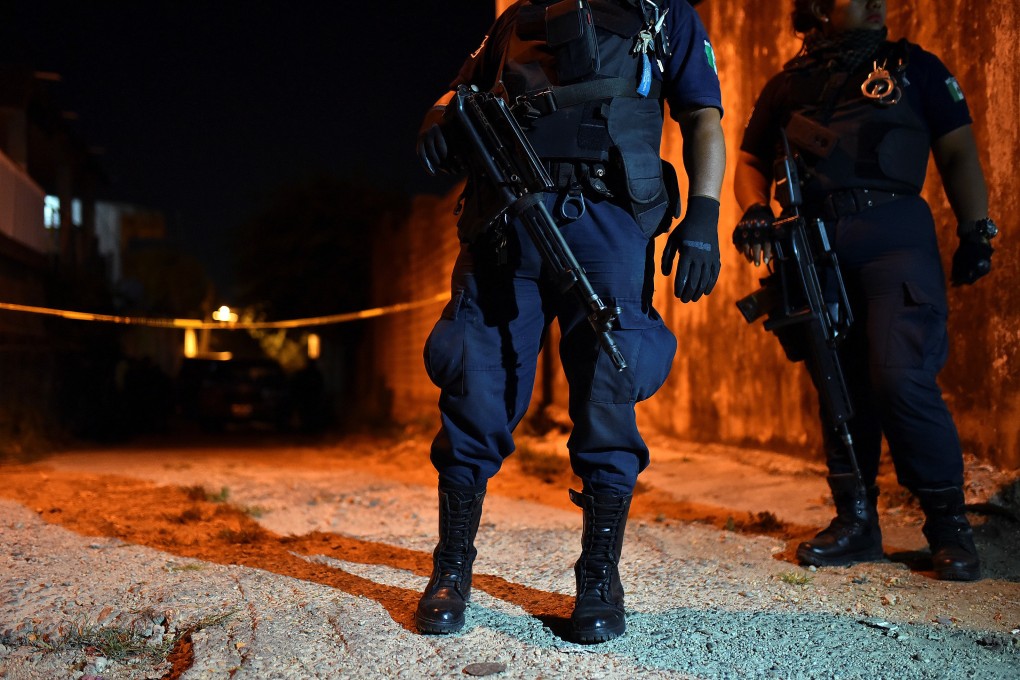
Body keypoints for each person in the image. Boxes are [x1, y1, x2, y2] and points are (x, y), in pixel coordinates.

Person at [415, 0, 725, 642]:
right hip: (506, 219)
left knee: (607, 398)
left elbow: (702, 116)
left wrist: (703, 217)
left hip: (610, 220)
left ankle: (599, 578)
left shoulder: (664, 14)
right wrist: (441, 115)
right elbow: (461, 89)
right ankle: (451, 569)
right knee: (476, 387)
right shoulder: (516, 17)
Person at [733, 0, 997, 581]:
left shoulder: (914, 67)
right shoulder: (787, 85)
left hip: (894, 234)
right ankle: (856, 521)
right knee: (838, 381)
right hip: (815, 243)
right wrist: (754, 206)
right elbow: (749, 159)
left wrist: (976, 229)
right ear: (822, 10)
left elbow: (956, 150)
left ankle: (947, 525)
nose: (876, 2)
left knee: (899, 374)